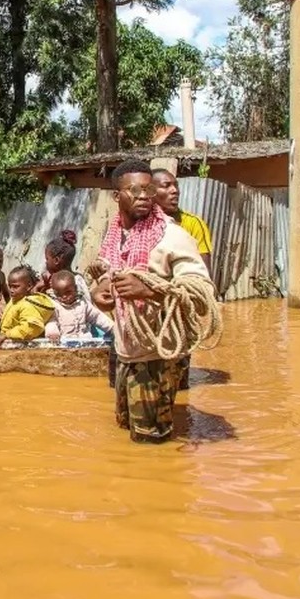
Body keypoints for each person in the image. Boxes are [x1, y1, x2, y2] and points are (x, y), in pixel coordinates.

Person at [89, 159, 212, 444]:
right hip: (126, 352)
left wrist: (150, 291)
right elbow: (113, 278)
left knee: (151, 442)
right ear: (117, 197)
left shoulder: (172, 236)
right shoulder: (116, 234)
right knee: (125, 431)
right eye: (134, 190)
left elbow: (203, 295)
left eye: (148, 189)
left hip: (158, 356)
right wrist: (102, 293)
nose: (144, 196)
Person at [151, 168, 215, 390]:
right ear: (150, 191)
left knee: (177, 378)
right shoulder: (137, 226)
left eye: (175, 185)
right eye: (166, 185)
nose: (174, 190)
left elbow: (202, 272)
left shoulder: (192, 224)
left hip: (176, 308)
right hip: (147, 312)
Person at [0, 265, 55, 346]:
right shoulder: (15, 300)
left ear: (28, 286)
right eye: (10, 286)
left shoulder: (27, 305)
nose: (11, 290)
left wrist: (6, 335)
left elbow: (31, 327)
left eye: (15, 286)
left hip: (19, 346)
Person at [45, 270, 114, 343]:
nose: (64, 296)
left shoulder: (82, 303)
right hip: (64, 342)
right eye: (59, 294)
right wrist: (52, 333)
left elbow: (96, 317)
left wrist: (112, 327)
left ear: (75, 288)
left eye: (68, 292)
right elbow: (51, 321)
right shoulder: (55, 306)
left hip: (84, 341)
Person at [33, 230, 94, 301]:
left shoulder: (76, 282)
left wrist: (36, 289)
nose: (46, 262)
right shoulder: (77, 280)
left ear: (56, 260)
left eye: (47, 258)